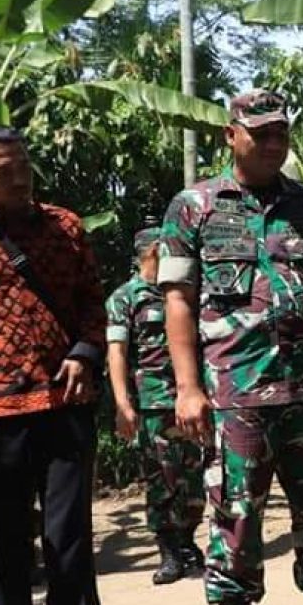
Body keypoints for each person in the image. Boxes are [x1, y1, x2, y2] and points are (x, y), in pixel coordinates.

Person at [158, 90, 303, 605]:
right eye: (260, 133)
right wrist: (187, 386)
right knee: (238, 510)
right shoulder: (194, 206)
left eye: (280, 133)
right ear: (231, 135)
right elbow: (178, 300)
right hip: (233, 392)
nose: (273, 143)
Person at [0, 126, 118, 605]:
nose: (17, 178)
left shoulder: (65, 226)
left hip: (65, 398)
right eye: (2, 171)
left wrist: (85, 353)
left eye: (23, 166)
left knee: (69, 526)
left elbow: (92, 300)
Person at [106, 227, 206, 585]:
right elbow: (116, 353)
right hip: (152, 403)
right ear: (149, 252)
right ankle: (168, 549)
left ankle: (188, 543)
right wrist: (122, 403)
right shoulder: (126, 297)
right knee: (161, 478)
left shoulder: (183, 291)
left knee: (193, 475)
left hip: (190, 399)